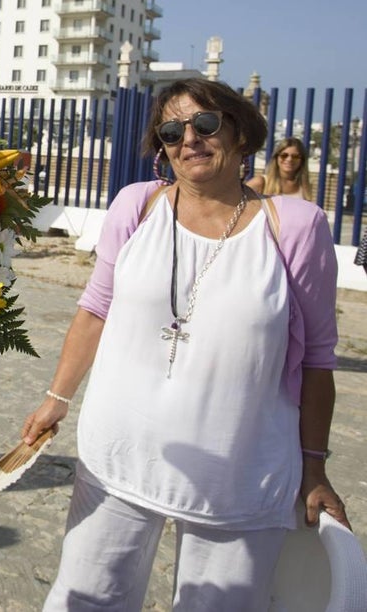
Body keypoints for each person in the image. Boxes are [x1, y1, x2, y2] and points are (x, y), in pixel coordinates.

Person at [20, 78, 348, 610]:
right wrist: (55, 400)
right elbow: (95, 309)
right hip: (117, 459)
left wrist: (315, 467)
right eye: (171, 131)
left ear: (241, 132)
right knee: (87, 600)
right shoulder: (136, 206)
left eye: (206, 124)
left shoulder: (295, 226)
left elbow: (317, 358)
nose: (188, 139)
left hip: (240, 470)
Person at [248, 135, 313, 201]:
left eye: (295, 156)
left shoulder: (305, 185)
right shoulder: (261, 182)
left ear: (302, 160)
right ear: (276, 158)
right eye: (284, 155)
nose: (289, 159)